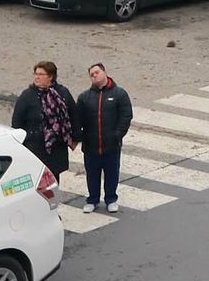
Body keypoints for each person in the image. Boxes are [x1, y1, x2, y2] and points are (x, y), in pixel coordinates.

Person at [76, 62, 133, 213]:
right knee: (92, 175)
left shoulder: (119, 94)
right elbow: (77, 119)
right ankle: (92, 200)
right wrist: (81, 136)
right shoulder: (84, 97)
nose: (94, 75)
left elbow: (126, 116)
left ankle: (111, 200)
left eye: (97, 72)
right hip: (91, 146)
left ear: (105, 72)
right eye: (92, 74)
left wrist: (117, 135)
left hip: (112, 145)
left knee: (112, 174)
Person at [12, 60, 77, 180]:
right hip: (34, 147)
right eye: (36, 74)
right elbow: (17, 121)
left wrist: (75, 139)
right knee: (35, 180)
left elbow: (74, 115)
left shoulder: (62, 93)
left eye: (41, 74)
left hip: (56, 147)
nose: (37, 77)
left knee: (53, 180)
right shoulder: (27, 95)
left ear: (51, 77)